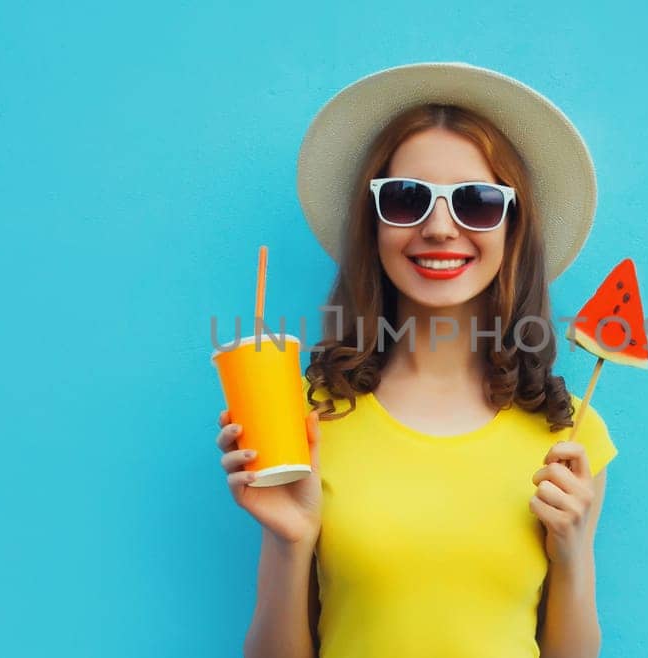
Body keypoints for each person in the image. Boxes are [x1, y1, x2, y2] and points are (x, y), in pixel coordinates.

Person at [215, 63, 619, 658]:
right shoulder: (306, 419)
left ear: (512, 227)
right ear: (374, 224)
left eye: (476, 203)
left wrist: (575, 549)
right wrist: (289, 542)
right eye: (406, 199)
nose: (437, 228)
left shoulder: (572, 434)